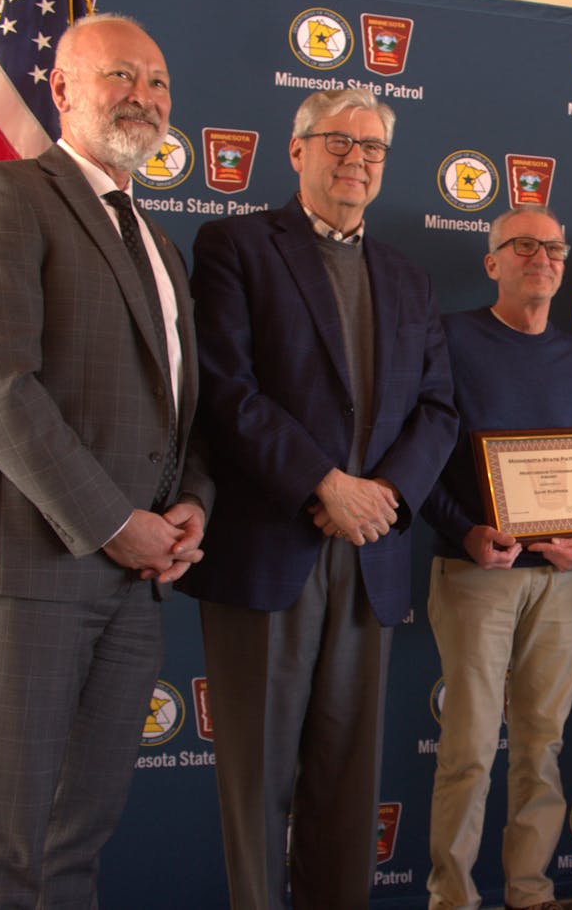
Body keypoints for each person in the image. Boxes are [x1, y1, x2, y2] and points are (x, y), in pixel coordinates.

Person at [0, 14, 211, 908]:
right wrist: (114, 523)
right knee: (6, 840)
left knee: (77, 837)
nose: (145, 97)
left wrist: (191, 503)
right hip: (34, 564)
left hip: (135, 580)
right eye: (121, 76)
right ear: (59, 90)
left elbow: (181, 408)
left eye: (159, 83)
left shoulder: (161, 243)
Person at [182, 88, 457, 910]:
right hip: (271, 553)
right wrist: (323, 483)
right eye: (339, 142)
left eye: (373, 149)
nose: (357, 161)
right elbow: (225, 390)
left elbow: (438, 409)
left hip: (370, 559)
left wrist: (384, 498)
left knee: (347, 784)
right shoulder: (234, 245)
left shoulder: (407, 277)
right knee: (258, 784)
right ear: (296, 150)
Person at [422, 205, 572, 910]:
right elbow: (418, 458)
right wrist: (464, 530)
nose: (542, 258)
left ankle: (530, 894)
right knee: (468, 752)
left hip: (559, 584)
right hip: (477, 575)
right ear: (491, 261)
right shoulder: (450, 339)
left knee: (541, 749)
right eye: (523, 245)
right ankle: (453, 899)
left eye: (554, 247)